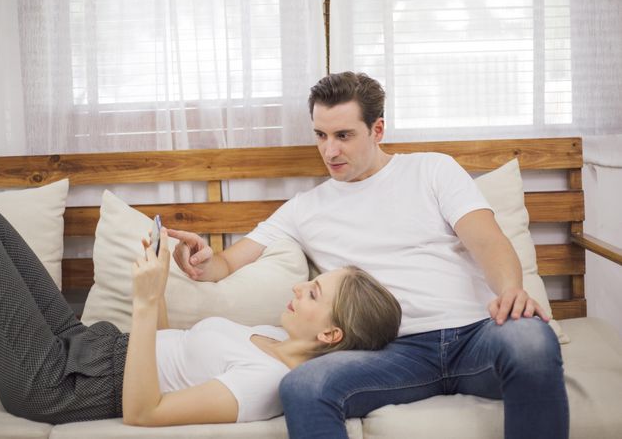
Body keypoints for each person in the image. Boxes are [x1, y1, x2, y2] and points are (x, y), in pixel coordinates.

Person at [168, 71, 569, 438]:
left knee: (532, 339)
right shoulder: (304, 208)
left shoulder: (432, 170)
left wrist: (512, 289)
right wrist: (203, 260)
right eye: (320, 135)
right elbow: (226, 263)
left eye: (343, 135)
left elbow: (489, 241)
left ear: (377, 129)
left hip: (477, 334)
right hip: (392, 354)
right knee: (303, 385)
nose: (329, 150)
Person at [0, 203, 401, 426]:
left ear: (330, 333)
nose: (300, 286)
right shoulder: (269, 334)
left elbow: (144, 410)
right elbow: (169, 357)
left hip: (58, 384)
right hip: (85, 344)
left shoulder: (264, 383)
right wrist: (159, 288)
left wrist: (142, 304)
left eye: (314, 291)